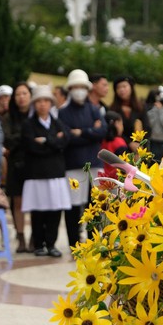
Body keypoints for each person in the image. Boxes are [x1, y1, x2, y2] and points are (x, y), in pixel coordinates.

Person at [59, 69, 106, 248]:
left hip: (94, 163)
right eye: (75, 87)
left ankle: (93, 241)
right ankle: (74, 243)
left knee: (95, 204)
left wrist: (82, 131)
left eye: (82, 87)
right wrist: (90, 131)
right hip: (73, 164)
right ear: (70, 89)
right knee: (73, 206)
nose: (79, 90)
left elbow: (102, 132)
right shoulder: (63, 112)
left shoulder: (94, 109)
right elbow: (68, 137)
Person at [22, 86, 71, 257]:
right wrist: (53, 142)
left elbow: (65, 141)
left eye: (46, 101)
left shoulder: (57, 123)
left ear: (51, 103)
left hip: (55, 173)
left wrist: (46, 141)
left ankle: (51, 243)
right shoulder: (28, 124)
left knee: (55, 210)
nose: (42, 105)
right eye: (39, 101)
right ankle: (38, 244)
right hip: (36, 174)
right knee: (38, 210)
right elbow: (31, 146)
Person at [1, 82, 32, 253]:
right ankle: (20, 237)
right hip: (15, 163)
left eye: (24, 93)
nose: (21, 97)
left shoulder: (36, 115)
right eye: (18, 94)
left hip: (34, 162)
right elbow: (8, 140)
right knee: (18, 201)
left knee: (35, 202)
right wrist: (26, 136)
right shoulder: (8, 117)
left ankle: (35, 237)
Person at [109, 75, 147, 151]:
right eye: (118, 87)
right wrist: (129, 143)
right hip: (121, 148)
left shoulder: (140, 107)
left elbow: (147, 127)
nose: (121, 90)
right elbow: (114, 131)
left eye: (124, 86)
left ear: (131, 87)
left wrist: (140, 144)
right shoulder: (113, 109)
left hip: (140, 148)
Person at [100, 111, 129, 177]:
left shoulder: (100, 141)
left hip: (102, 178)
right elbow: (125, 166)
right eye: (122, 124)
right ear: (117, 124)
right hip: (116, 179)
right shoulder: (119, 142)